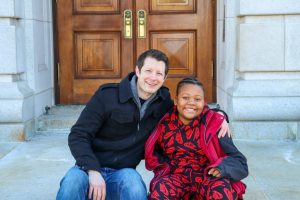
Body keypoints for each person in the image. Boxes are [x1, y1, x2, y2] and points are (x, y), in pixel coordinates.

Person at [56, 49, 230, 200]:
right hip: (87, 168)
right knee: (72, 183)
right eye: (148, 71)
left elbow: (192, 107)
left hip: (123, 172)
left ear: (165, 77)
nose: (153, 78)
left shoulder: (164, 103)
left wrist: (220, 115)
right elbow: (78, 135)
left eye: (159, 73)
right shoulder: (107, 96)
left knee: (135, 187)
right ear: (137, 71)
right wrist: (93, 170)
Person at [145, 77, 248, 200]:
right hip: (176, 176)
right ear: (176, 100)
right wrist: (164, 167)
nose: (191, 102)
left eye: (197, 99)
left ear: (204, 102)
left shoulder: (214, 124)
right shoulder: (164, 124)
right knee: (160, 190)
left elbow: (239, 161)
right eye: (185, 98)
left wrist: (222, 168)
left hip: (207, 177)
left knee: (221, 191)